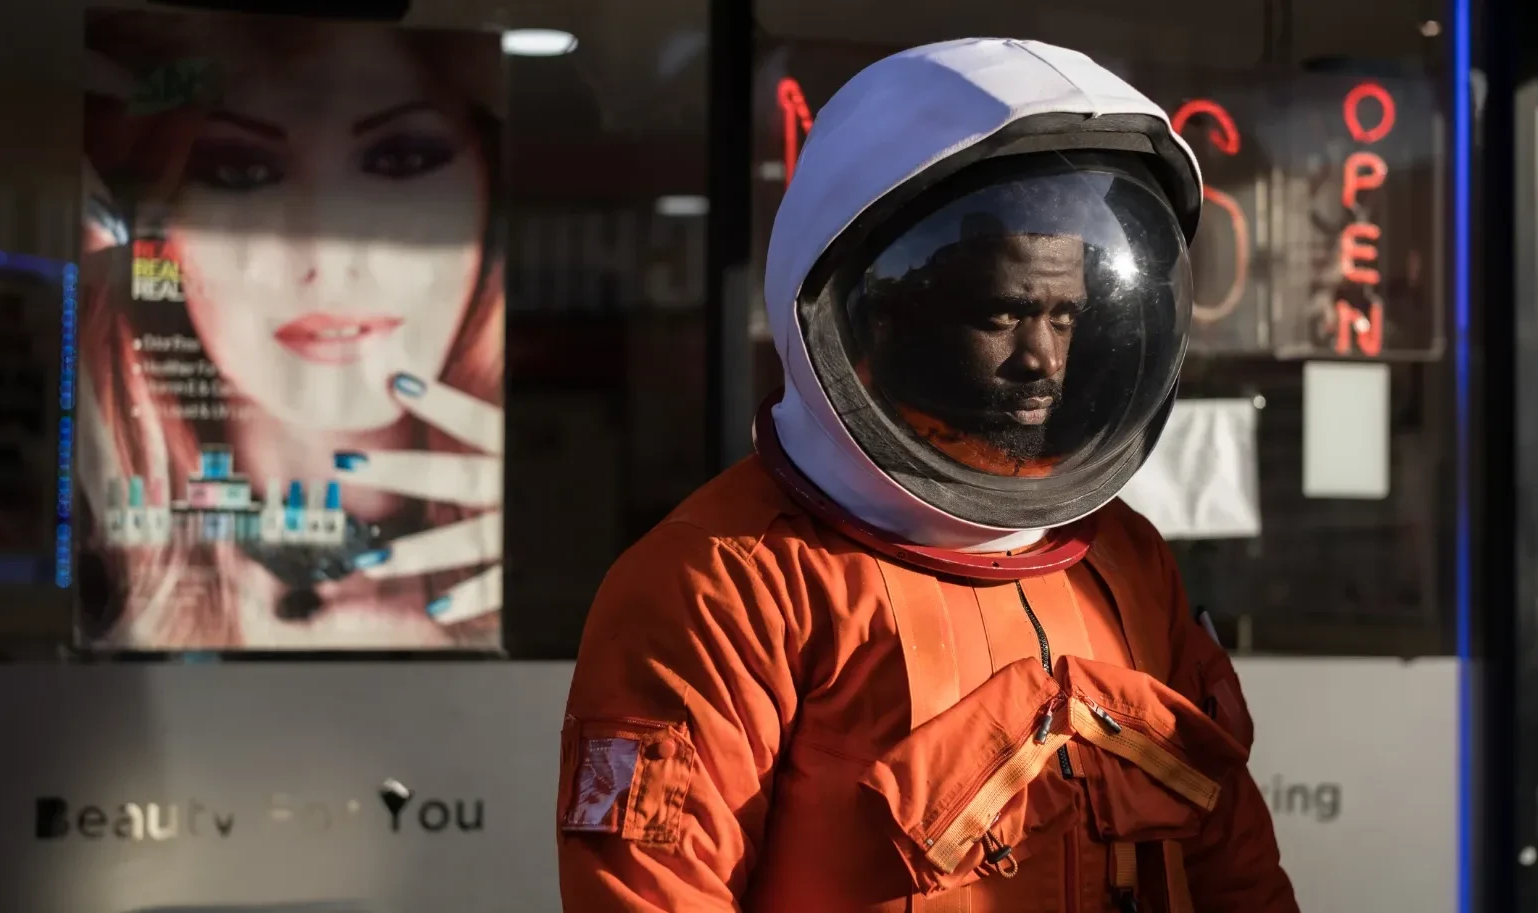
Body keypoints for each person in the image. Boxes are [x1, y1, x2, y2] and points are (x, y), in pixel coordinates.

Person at [557, 38, 1298, 913]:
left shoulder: (1123, 561)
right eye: (1003, 312)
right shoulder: (729, 584)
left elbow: (1234, 868)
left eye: (1066, 315)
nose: (1042, 358)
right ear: (884, 313)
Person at [78, 12, 503, 649]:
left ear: (488, 194)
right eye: (239, 171)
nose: (327, 262)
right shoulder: (88, 568)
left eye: (402, 158)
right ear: (156, 227)